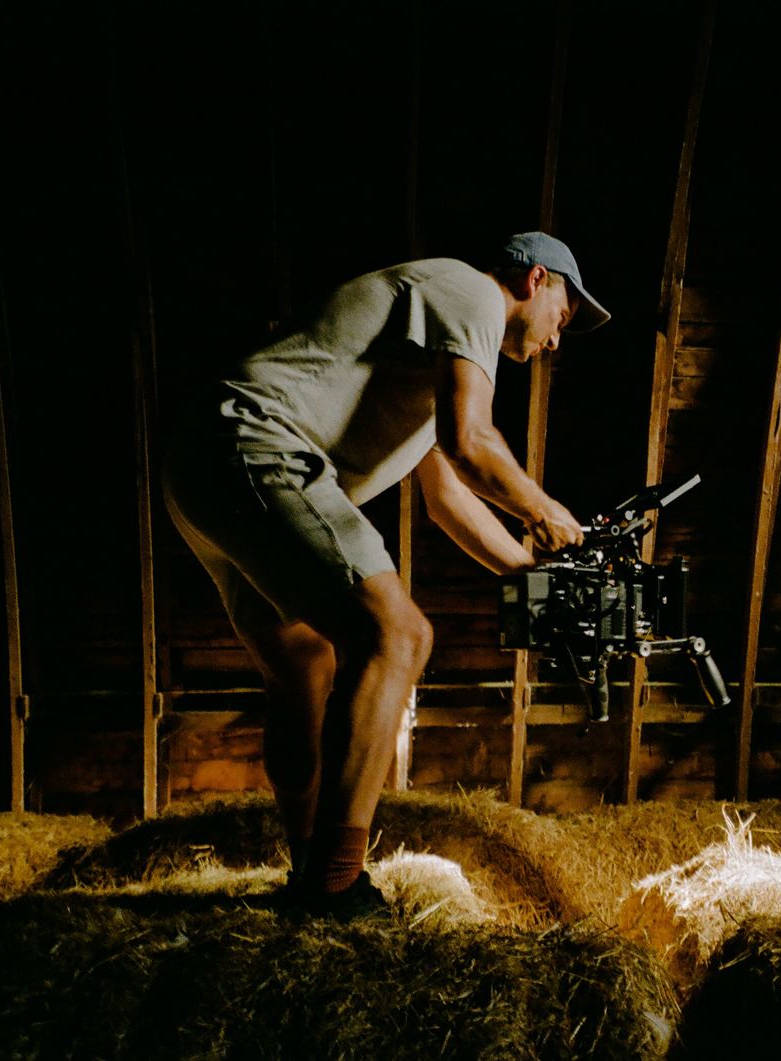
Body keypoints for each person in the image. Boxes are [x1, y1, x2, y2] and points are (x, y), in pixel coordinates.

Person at [162, 232, 610, 917]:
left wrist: (527, 570)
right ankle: (336, 886)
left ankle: (309, 870)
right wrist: (546, 510)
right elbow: (473, 441)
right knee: (396, 635)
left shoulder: (431, 351)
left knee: (304, 662)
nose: (557, 339)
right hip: (258, 447)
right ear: (534, 280)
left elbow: (448, 499)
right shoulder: (471, 295)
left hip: (206, 466)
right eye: (564, 315)